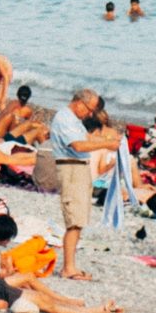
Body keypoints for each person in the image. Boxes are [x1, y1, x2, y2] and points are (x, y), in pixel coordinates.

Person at [49, 87, 119, 281]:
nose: (90, 114)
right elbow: (78, 145)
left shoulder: (73, 120)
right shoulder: (64, 118)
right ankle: (68, 268)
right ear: (79, 102)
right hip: (71, 169)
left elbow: (86, 138)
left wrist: (108, 139)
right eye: (89, 109)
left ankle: (71, 266)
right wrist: (106, 144)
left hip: (78, 168)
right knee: (74, 221)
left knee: (78, 220)